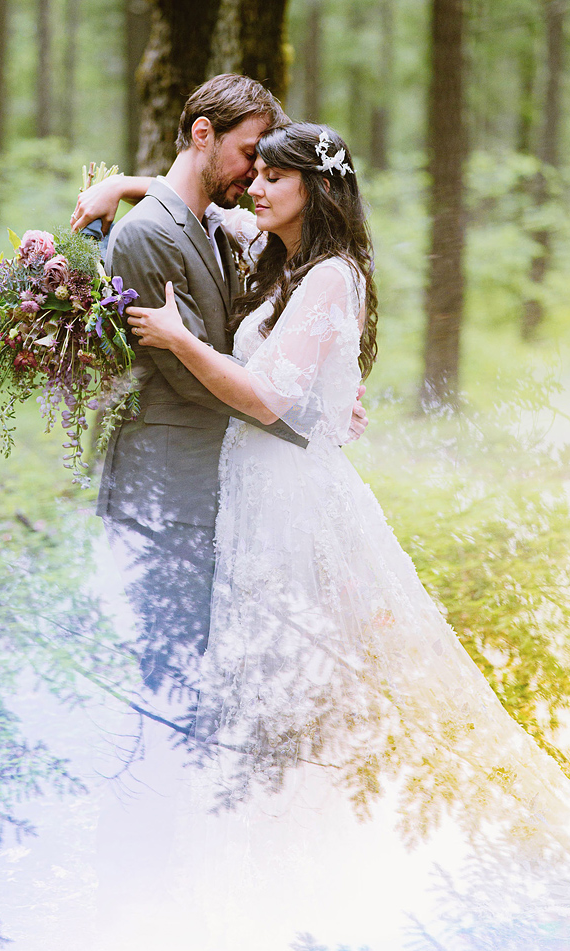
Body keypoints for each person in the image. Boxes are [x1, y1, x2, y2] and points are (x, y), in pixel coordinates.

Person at [84, 118, 570, 854]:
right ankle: (257, 832)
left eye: (273, 178)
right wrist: (122, 186)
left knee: (304, 663)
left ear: (313, 191)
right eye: (254, 174)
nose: (253, 187)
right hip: (255, 489)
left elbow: (263, 397)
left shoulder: (329, 276)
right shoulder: (282, 257)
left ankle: (331, 831)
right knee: (258, 667)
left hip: (292, 498)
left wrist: (181, 337)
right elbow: (204, 208)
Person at [67, 74, 366, 707]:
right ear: (203, 135)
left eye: (271, 169)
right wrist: (307, 417)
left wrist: (121, 183)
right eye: (251, 155)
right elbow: (196, 382)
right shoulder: (149, 235)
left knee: (237, 665)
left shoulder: (215, 223)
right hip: (170, 483)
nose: (255, 176)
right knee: (169, 672)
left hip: (228, 482)